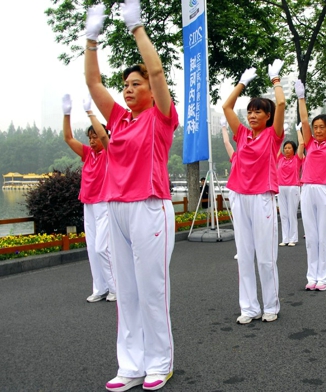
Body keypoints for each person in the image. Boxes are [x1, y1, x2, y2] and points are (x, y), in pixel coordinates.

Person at [84, 1, 179, 390]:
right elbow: (93, 84)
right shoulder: (120, 120)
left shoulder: (161, 116)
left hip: (150, 207)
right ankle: (131, 364)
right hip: (116, 208)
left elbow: (155, 69)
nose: (128, 89)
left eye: (134, 84)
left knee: (151, 288)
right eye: (125, 85)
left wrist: (137, 28)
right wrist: (91, 40)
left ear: (151, 91)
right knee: (127, 293)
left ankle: (160, 361)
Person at [222, 59, 285, 324]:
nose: (252, 115)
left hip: (262, 198)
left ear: (267, 116)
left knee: (266, 257)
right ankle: (249, 307)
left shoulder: (273, 136)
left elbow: (280, 104)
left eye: (258, 112)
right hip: (239, 197)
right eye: (250, 111)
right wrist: (242, 83)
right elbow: (226, 106)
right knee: (245, 256)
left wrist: (275, 80)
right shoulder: (242, 135)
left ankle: (271, 305)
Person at [61, 93, 116, 304]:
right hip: (89, 205)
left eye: (95, 137)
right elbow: (68, 138)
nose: (92, 141)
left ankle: (115, 287)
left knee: (103, 247)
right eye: (90, 138)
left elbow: (105, 138)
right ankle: (100, 288)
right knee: (92, 249)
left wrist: (90, 112)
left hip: (104, 204)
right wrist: (67, 114)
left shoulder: (110, 153)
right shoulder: (88, 154)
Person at [296, 77, 326, 291]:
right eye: (316, 127)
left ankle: (324, 277)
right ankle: (311, 275)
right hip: (307, 189)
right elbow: (304, 121)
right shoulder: (310, 143)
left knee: (324, 236)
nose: (318, 130)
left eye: (321, 127)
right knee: (311, 236)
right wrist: (301, 98)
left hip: (325, 190)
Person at [277, 124, 304, 247]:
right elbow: (276, 146)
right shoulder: (280, 159)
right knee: (283, 214)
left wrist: (298, 130)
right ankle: (285, 238)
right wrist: (284, 133)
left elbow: (302, 144)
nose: (287, 150)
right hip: (281, 187)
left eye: (289, 148)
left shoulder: (297, 159)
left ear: (294, 149)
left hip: (293, 187)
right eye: (285, 148)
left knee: (292, 213)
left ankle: (293, 238)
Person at [220, 116, 239, 260]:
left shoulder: (254, 156)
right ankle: (242, 249)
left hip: (250, 192)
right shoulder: (235, 156)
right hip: (234, 191)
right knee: (238, 223)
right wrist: (224, 127)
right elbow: (226, 142)